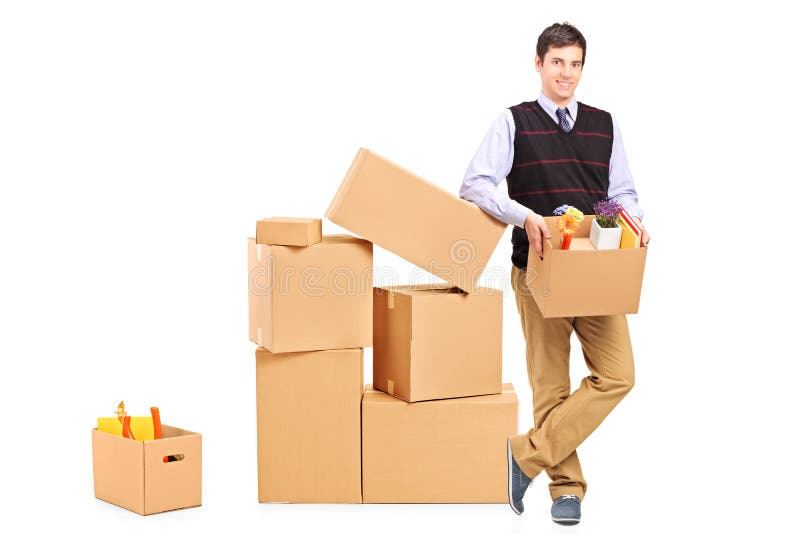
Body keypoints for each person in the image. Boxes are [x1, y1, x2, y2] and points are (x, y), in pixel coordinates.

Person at [459, 22, 650, 525]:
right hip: (536, 269)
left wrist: (633, 223)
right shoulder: (514, 121)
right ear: (539, 63)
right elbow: (475, 184)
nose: (566, 73)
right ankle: (566, 489)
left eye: (575, 64)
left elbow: (624, 192)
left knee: (618, 375)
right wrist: (524, 215)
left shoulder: (604, 124)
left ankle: (525, 455)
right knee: (551, 387)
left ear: (583, 67)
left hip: (595, 270)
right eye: (558, 62)